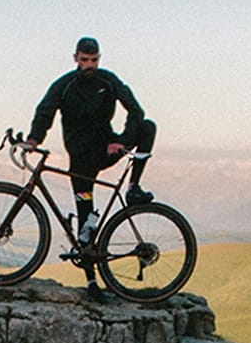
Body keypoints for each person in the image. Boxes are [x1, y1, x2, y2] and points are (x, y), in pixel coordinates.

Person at [25, 37, 156, 243]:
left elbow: (135, 110)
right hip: (80, 161)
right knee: (85, 231)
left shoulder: (108, 80)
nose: (89, 65)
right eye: (85, 60)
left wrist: (122, 140)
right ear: (75, 58)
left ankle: (133, 189)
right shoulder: (64, 85)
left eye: (94, 60)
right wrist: (34, 139)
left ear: (99, 59)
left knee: (147, 127)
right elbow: (45, 112)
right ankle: (91, 274)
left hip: (107, 149)